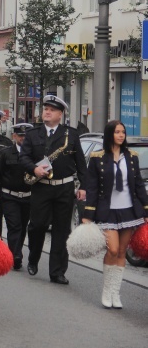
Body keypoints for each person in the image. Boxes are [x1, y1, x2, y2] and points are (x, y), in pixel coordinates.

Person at [19, 95, 87, 285]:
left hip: (64, 188)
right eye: (45, 108)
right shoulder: (33, 134)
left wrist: (84, 186)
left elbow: (81, 164)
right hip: (41, 187)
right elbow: (23, 158)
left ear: (60, 114)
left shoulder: (71, 135)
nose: (47, 112)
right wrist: (34, 168)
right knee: (37, 226)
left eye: (51, 109)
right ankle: (33, 257)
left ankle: (57, 271)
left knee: (62, 230)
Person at [83, 120, 148, 308]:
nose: (121, 135)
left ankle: (115, 293)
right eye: (117, 132)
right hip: (107, 211)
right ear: (110, 134)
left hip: (128, 210)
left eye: (123, 132)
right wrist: (88, 214)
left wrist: (145, 209)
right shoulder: (97, 157)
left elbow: (138, 186)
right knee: (111, 249)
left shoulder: (132, 156)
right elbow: (92, 188)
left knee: (121, 252)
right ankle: (106, 290)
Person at [0, 123, 33, 271]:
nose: (23, 138)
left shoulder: (34, 154)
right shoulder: (6, 153)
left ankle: (16, 250)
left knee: (23, 227)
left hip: (28, 196)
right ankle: (15, 255)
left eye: (25, 136)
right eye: (20, 135)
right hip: (9, 196)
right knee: (14, 225)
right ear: (14, 136)